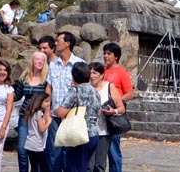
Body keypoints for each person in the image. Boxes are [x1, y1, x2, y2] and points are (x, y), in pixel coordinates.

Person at [46, 31, 85, 172]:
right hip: (55, 115)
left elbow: (83, 90)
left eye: (58, 41)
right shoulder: (53, 65)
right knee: (54, 152)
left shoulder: (79, 64)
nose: (55, 43)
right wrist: (46, 110)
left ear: (67, 43)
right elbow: (49, 88)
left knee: (69, 153)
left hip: (71, 117)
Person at [54, 62, 99, 172]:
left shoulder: (75, 91)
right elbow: (99, 112)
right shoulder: (95, 91)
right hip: (93, 134)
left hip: (78, 134)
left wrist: (54, 110)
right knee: (83, 166)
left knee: (73, 167)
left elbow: (61, 112)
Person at [100, 42, 133, 172]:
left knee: (113, 149)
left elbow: (130, 93)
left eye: (109, 54)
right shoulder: (101, 70)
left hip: (114, 114)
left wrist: (116, 101)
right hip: (101, 113)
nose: (105, 56)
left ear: (116, 57)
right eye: (104, 53)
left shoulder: (121, 72)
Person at [15, 52, 48, 172]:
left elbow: (49, 98)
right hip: (24, 116)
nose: (39, 62)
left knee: (37, 149)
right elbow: (17, 97)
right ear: (32, 61)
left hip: (39, 117)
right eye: (37, 59)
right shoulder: (24, 79)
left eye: (42, 60)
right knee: (21, 149)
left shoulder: (46, 80)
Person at [89, 61, 125, 172]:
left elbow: (121, 108)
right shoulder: (86, 87)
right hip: (88, 131)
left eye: (94, 73)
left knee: (100, 164)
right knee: (88, 165)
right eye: (90, 73)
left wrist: (112, 111)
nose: (91, 75)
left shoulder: (109, 87)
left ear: (101, 75)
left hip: (103, 131)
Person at [22, 92, 52, 172]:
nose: (48, 104)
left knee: (34, 167)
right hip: (37, 145)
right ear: (39, 102)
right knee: (43, 167)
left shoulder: (32, 112)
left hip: (29, 144)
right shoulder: (39, 113)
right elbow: (42, 129)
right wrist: (49, 122)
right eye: (46, 101)